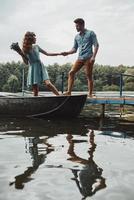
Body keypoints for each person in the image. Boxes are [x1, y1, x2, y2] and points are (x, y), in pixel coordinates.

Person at [61, 18, 99, 97]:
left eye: (77, 26)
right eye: (76, 26)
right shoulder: (76, 37)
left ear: (82, 25)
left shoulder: (91, 33)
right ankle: (69, 92)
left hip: (89, 57)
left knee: (88, 75)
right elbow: (74, 49)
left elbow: (96, 45)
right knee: (71, 72)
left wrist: (93, 57)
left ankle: (90, 94)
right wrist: (67, 52)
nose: (76, 28)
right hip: (80, 58)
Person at [21, 31, 61, 96]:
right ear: (30, 39)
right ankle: (35, 103)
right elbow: (26, 63)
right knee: (35, 90)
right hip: (33, 68)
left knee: (48, 83)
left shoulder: (36, 46)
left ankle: (59, 96)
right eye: (34, 37)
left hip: (40, 66)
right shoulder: (25, 49)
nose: (35, 39)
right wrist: (21, 54)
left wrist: (59, 53)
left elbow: (47, 53)